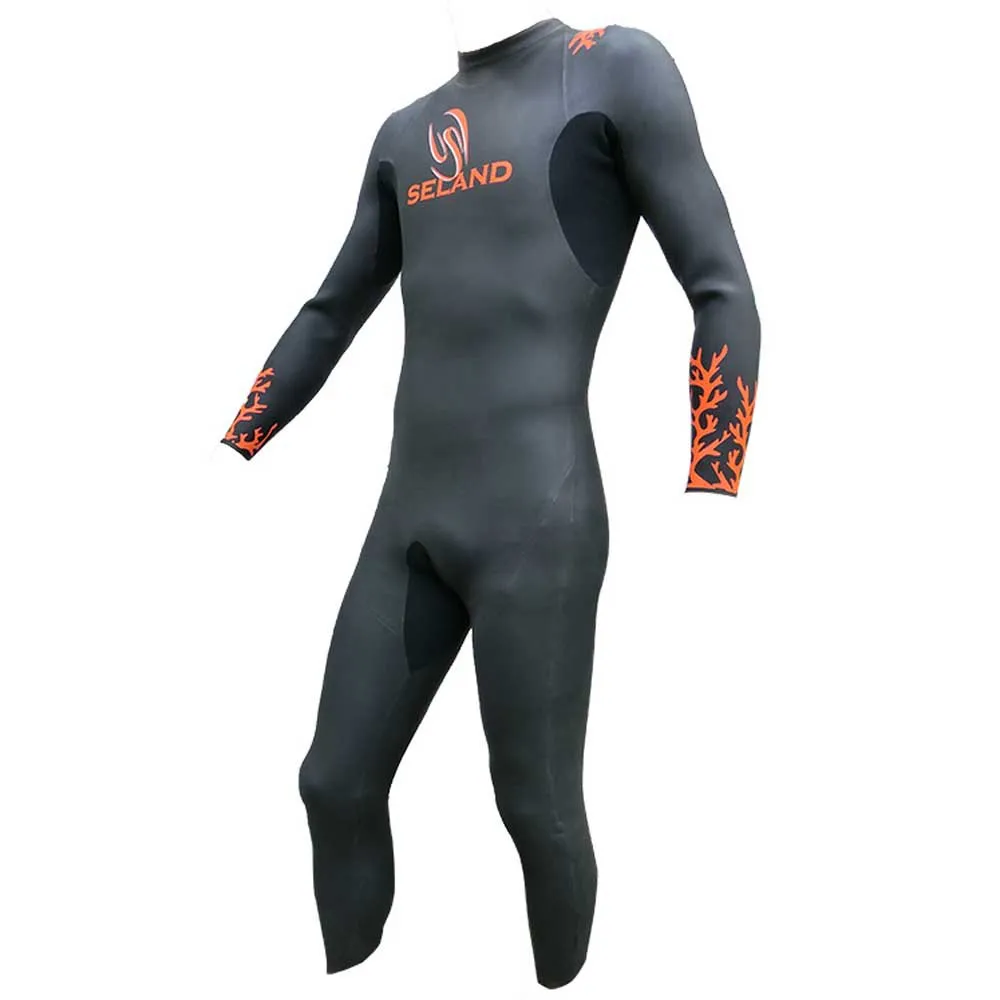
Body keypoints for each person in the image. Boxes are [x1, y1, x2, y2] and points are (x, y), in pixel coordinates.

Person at [220, 11, 760, 988]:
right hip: (409, 521)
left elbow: (719, 286)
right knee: (332, 782)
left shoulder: (612, 68)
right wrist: (235, 443)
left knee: (533, 809)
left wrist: (713, 474)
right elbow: (330, 311)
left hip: (537, 521)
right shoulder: (404, 132)